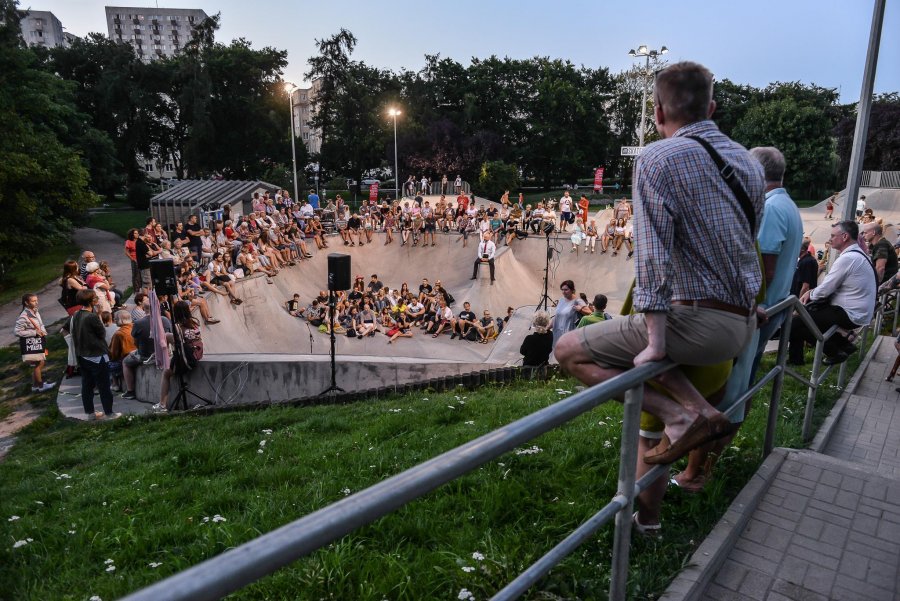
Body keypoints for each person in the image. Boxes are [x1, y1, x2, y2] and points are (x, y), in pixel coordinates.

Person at [555, 61, 766, 466]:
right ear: (712, 108)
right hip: (743, 325)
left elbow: (652, 257)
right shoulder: (748, 163)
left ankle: (679, 416)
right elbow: (745, 244)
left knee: (569, 351)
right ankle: (696, 413)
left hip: (700, 325)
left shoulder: (657, 158)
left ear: (658, 114)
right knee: (650, 347)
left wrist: (655, 341)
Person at [789, 220, 877, 366]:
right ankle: (844, 344)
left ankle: (834, 351)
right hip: (859, 311)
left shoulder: (848, 258)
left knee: (796, 322)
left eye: (832, 236)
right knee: (803, 320)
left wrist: (809, 294)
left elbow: (825, 290)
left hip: (850, 313)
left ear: (844, 237)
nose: (829, 239)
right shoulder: (858, 254)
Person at [70, 289, 120, 420]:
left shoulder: (76, 314)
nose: (98, 299)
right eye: (96, 297)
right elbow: (102, 333)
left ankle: (90, 413)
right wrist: (98, 315)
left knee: (87, 385)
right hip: (97, 355)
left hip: (83, 355)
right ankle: (109, 413)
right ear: (92, 301)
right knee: (104, 386)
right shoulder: (91, 317)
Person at [157, 300, 202, 412]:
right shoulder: (195, 322)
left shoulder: (177, 326)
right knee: (168, 335)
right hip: (198, 352)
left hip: (188, 357)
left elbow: (180, 343)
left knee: (166, 373)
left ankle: (162, 404)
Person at [15, 293, 54, 393]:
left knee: (39, 362)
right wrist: (34, 332)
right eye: (33, 301)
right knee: (39, 363)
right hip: (32, 342)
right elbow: (17, 331)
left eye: (36, 300)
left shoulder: (35, 311)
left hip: (37, 341)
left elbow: (40, 325)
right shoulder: (24, 316)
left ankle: (35, 385)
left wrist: (43, 331)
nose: (36, 302)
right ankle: (41, 386)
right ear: (26, 303)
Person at [551, 280, 589, 349]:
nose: (563, 292)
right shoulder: (561, 300)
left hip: (569, 335)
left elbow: (589, 312)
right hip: (558, 333)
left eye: (566, 290)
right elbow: (557, 316)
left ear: (572, 290)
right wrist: (547, 327)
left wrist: (580, 309)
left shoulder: (578, 300)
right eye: (562, 290)